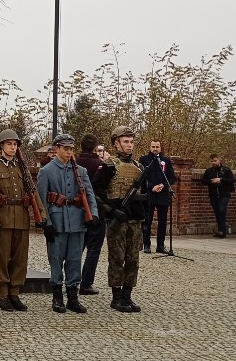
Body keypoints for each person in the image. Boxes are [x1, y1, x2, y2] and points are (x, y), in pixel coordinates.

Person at [0, 128, 46, 312]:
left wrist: (41, 215)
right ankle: (3, 293)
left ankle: (15, 293)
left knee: (20, 258)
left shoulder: (22, 168)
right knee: (1, 258)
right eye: (9, 144)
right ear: (1, 146)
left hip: (21, 218)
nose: (13, 147)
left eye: (15, 144)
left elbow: (33, 194)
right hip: (3, 219)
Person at [37, 134, 97, 313]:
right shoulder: (46, 171)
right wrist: (45, 222)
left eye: (71, 149)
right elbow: (41, 200)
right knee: (56, 259)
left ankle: (73, 297)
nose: (69, 152)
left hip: (77, 220)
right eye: (65, 148)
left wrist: (93, 214)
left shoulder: (81, 171)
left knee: (74, 259)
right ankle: (57, 297)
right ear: (56, 149)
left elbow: (89, 194)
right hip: (57, 221)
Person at [91, 126, 147, 313]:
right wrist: (112, 212)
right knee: (117, 258)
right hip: (118, 220)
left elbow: (143, 193)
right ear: (116, 143)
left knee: (133, 259)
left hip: (135, 219)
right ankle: (116, 296)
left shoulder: (139, 167)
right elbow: (96, 192)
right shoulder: (108, 166)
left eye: (131, 142)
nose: (129, 145)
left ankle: (127, 294)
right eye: (125, 141)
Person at [76, 134, 105, 295]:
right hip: (97, 210)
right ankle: (86, 283)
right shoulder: (100, 165)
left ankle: (72, 279)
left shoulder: (75, 163)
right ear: (95, 148)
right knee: (94, 248)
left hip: (77, 209)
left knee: (77, 247)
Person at [139, 140, 177, 254]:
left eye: (157, 147)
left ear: (160, 148)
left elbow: (172, 177)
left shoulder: (165, 161)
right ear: (150, 147)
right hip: (149, 194)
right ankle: (146, 244)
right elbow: (141, 177)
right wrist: (151, 186)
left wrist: (163, 185)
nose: (155, 149)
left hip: (162, 194)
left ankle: (160, 245)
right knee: (147, 220)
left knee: (162, 221)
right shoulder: (144, 160)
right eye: (153, 146)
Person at [201, 154, 235, 238]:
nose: (214, 162)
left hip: (224, 194)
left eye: (215, 160)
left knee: (221, 210)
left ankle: (222, 231)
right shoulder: (209, 171)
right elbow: (203, 180)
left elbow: (231, 180)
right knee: (217, 212)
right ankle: (220, 229)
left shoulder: (226, 170)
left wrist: (221, 180)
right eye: (212, 161)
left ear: (219, 160)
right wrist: (211, 181)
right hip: (213, 194)